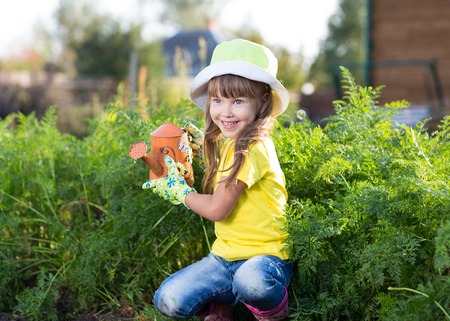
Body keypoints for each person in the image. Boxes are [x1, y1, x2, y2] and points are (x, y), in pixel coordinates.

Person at [145, 38, 292, 321]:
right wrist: (193, 152)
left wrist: (179, 190)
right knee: (168, 298)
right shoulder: (229, 143)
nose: (225, 111)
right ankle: (223, 306)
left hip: (265, 260)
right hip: (223, 260)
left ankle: (274, 313)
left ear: (261, 103)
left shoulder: (253, 147)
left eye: (238, 100)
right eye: (217, 100)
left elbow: (217, 209)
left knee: (251, 281)